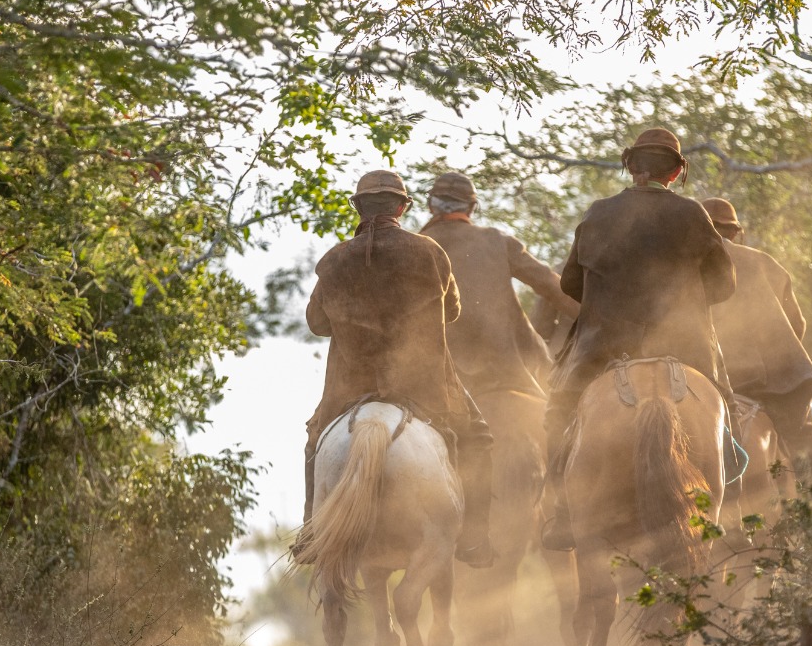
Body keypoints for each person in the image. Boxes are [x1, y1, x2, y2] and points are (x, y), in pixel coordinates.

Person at [541, 127, 738, 551]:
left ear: (631, 167)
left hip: (603, 351)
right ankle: (733, 500)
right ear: (676, 172)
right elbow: (724, 286)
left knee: (559, 413)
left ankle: (559, 512)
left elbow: (570, 283)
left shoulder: (598, 213)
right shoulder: (692, 214)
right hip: (686, 349)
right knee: (726, 410)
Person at [298, 169, 496, 567]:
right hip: (424, 388)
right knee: (478, 438)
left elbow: (317, 324)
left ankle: (309, 530)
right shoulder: (429, 251)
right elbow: (452, 311)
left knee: (315, 442)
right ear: (403, 207)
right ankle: (475, 538)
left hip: (348, 391)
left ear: (358, 207)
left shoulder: (334, 260)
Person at [418, 172, 579, 399]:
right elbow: (550, 286)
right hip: (508, 367)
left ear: (430, 204)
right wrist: (595, 319)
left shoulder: (416, 247)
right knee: (558, 412)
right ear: (472, 207)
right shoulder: (496, 240)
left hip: (442, 374)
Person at [701, 197, 812, 461]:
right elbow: (797, 325)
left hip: (705, 378)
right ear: (734, 232)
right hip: (763, 384)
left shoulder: (686, 264)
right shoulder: (763, 262)